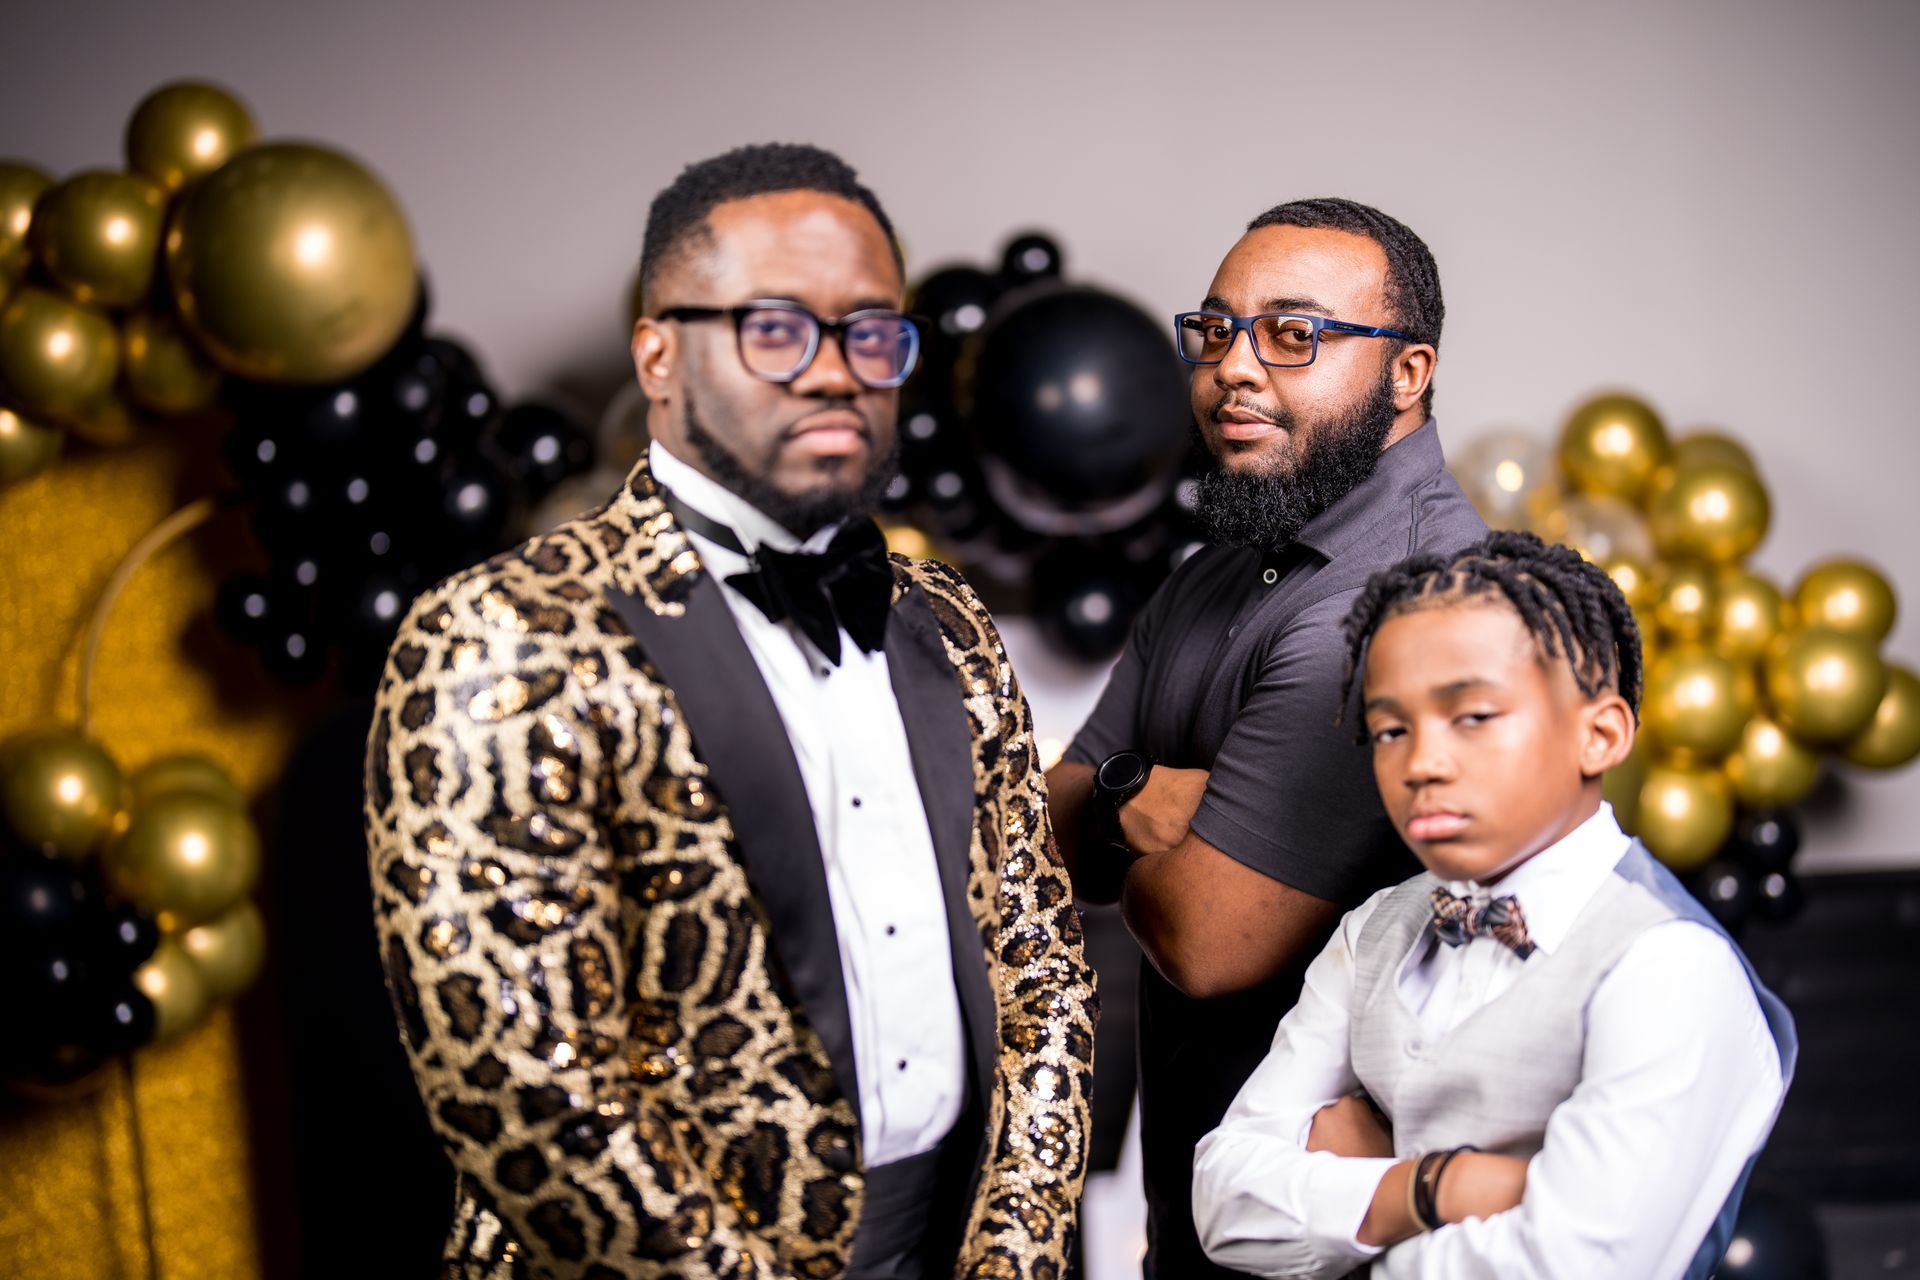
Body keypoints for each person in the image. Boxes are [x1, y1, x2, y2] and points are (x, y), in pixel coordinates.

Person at [365, 143, 1095, 1280]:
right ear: (658, 354)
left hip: (949, 1245)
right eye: (774, 328)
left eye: (870, 332)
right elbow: (522, 1082)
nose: (834, 371)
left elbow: (1040, 964)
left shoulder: (946, 619)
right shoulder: (503, 633)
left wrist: (1009, 1254)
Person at [1046, 198, 1486, 1276]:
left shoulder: (1407, 603)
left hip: (1344, 1242)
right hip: (1203, 1222)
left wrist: (1111, 820)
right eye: (1215, 330)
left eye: (1295, 335)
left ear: (1409, 372)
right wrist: (1133, 789)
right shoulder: (1217, 572)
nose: (1235, 367)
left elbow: (1208, 942)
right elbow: (1040, 834)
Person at [1191, 531, 1796, 1278]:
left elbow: (1569, 1267)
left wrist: (1353, 1201)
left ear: (1600, 735)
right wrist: (1431, 1186)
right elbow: (1222, 1202)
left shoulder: (1669, 966)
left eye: (1473, 716)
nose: (1422, 764)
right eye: (1389, 729)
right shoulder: (1375, 929)